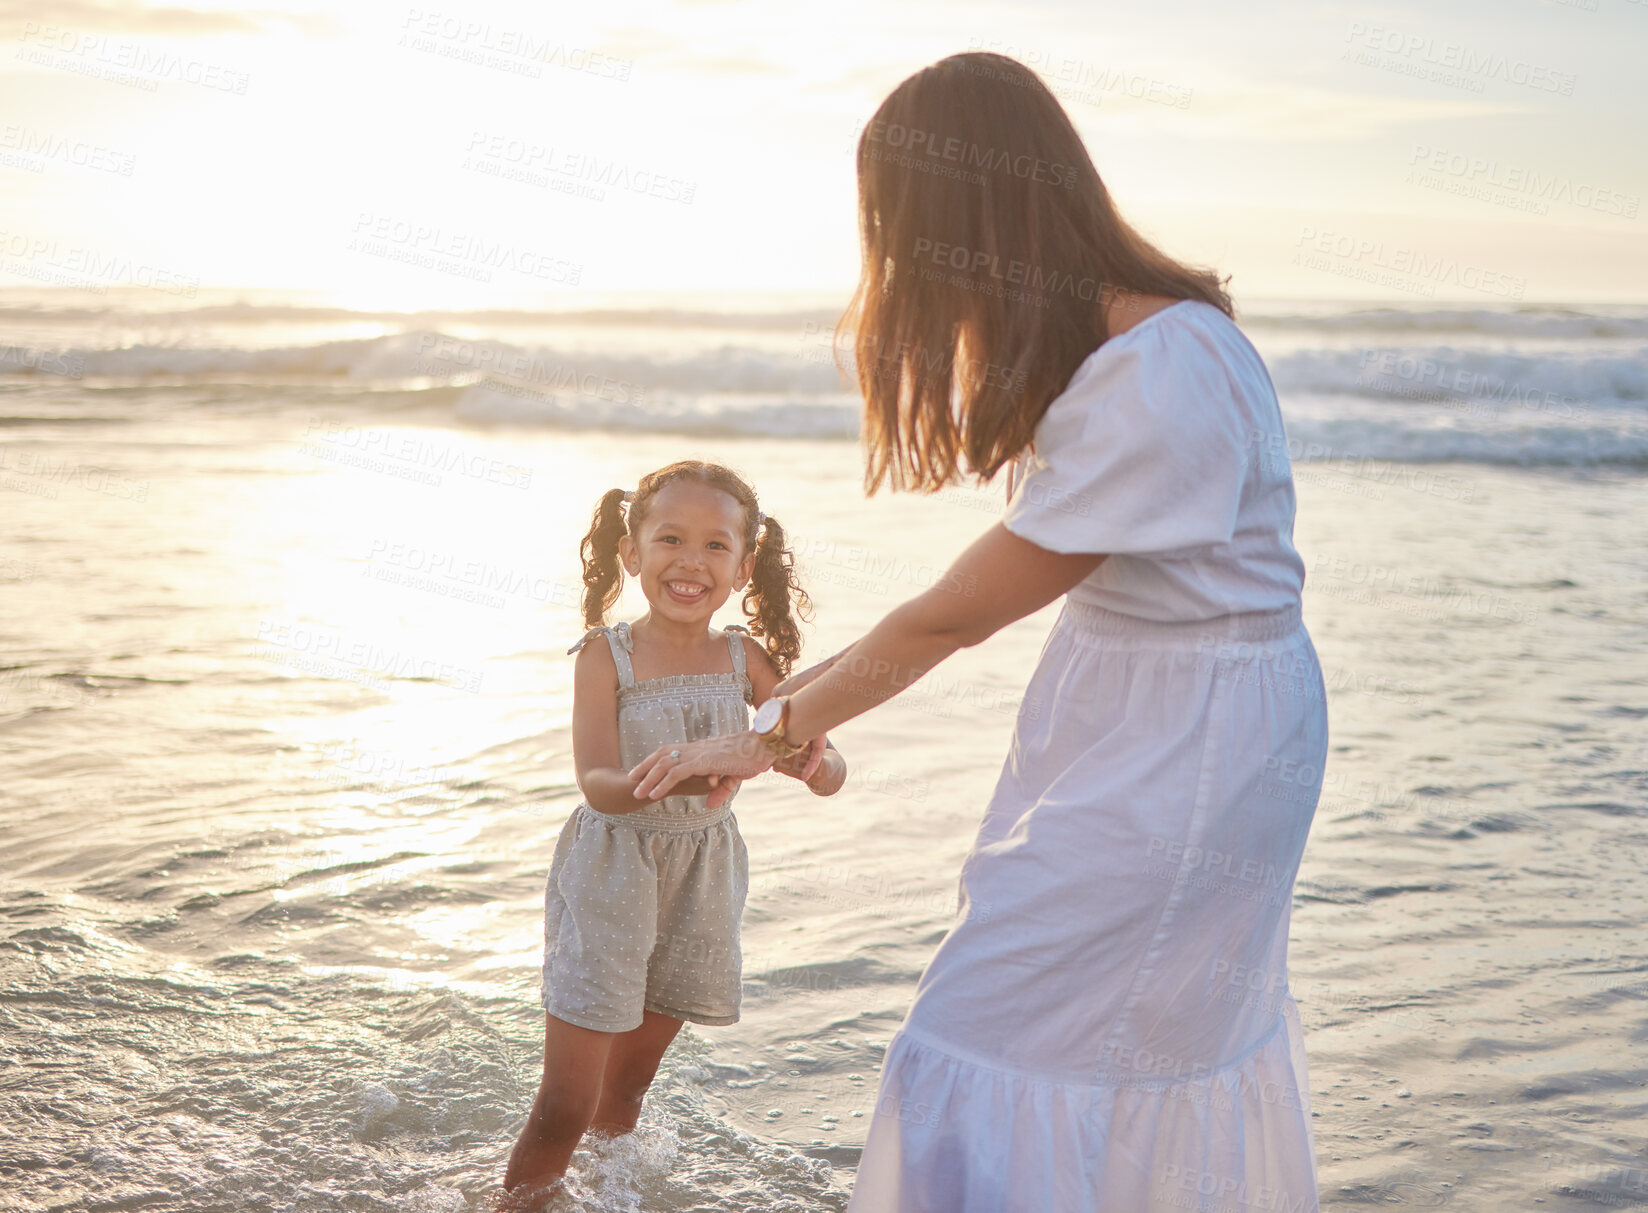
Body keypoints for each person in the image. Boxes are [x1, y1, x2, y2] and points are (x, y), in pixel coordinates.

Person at [629, 53, 1329, 1212]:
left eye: (900, 228)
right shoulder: (1145, 349)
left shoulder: (1159, 373)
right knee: (1096, 1045)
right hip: (1170, 722)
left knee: (991, 1028)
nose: (897, 261)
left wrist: (768, 731)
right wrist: (777, 717)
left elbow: (952, 614)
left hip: (1187, 754)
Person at [501, 460, 848, 1205]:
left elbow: (818, 752)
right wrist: (684, 774)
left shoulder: (746, 659)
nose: (691, 561)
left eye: (716, 545)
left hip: (701, 881)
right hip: (613, 874)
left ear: (744, 565)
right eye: (670, 538)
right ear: (633, 552)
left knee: (627, 1087)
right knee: (565, 1104)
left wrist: (814, 763)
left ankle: (607, 1196)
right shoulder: (607, 654)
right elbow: (595, 779)